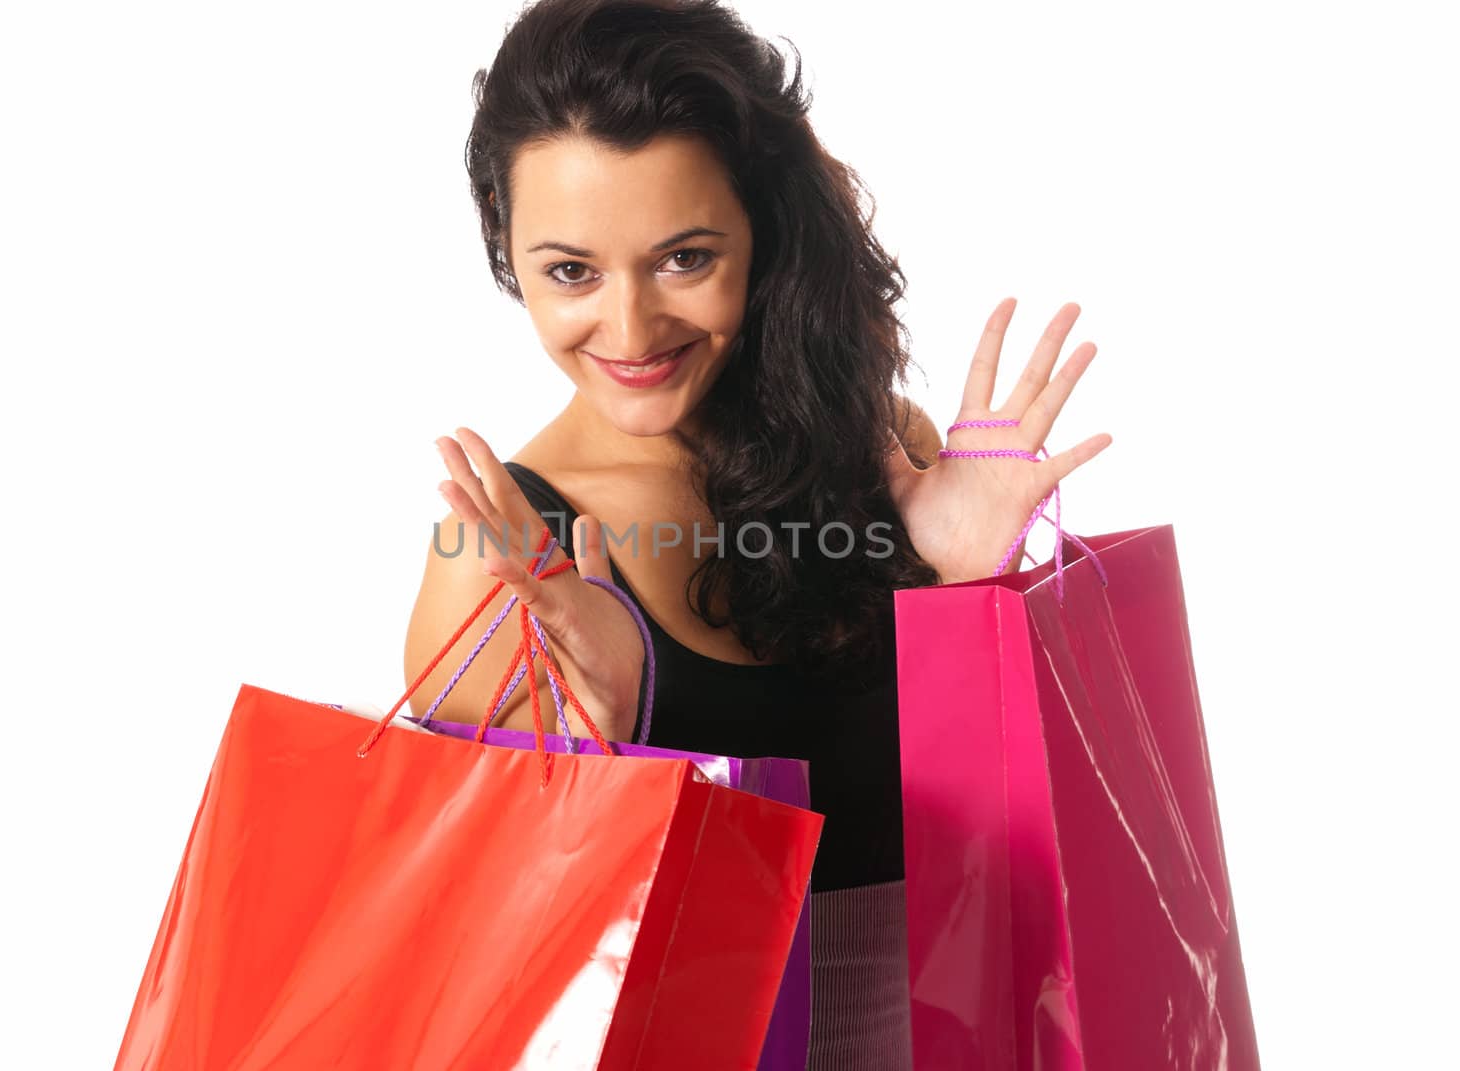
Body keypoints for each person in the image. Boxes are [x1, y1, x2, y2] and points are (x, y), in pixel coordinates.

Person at [403, 0, 1109, 1065]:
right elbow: (492, 980)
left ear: (760, 232)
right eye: (571, 272)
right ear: (506, 246)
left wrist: (959, 589)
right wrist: (618, 732)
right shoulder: (506, 559)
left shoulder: (879, 456)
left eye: (684, 259)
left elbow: (974, 834)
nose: (631, 330)